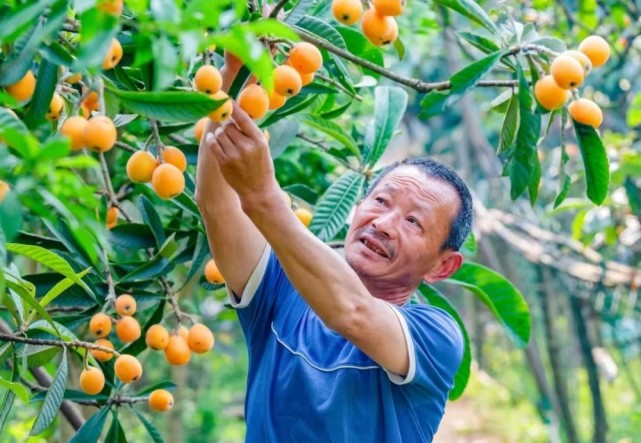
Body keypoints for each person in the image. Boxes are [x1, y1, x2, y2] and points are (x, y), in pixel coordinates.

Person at [195, 54, 473, 442]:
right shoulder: (279, 287)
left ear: (442, 266)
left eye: (413, 222)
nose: (385, 223)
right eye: (380, 202)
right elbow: (217, 206)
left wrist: (263, 196)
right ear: (355, 208)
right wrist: (233, 75)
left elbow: (353, 312)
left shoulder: (435, 337)